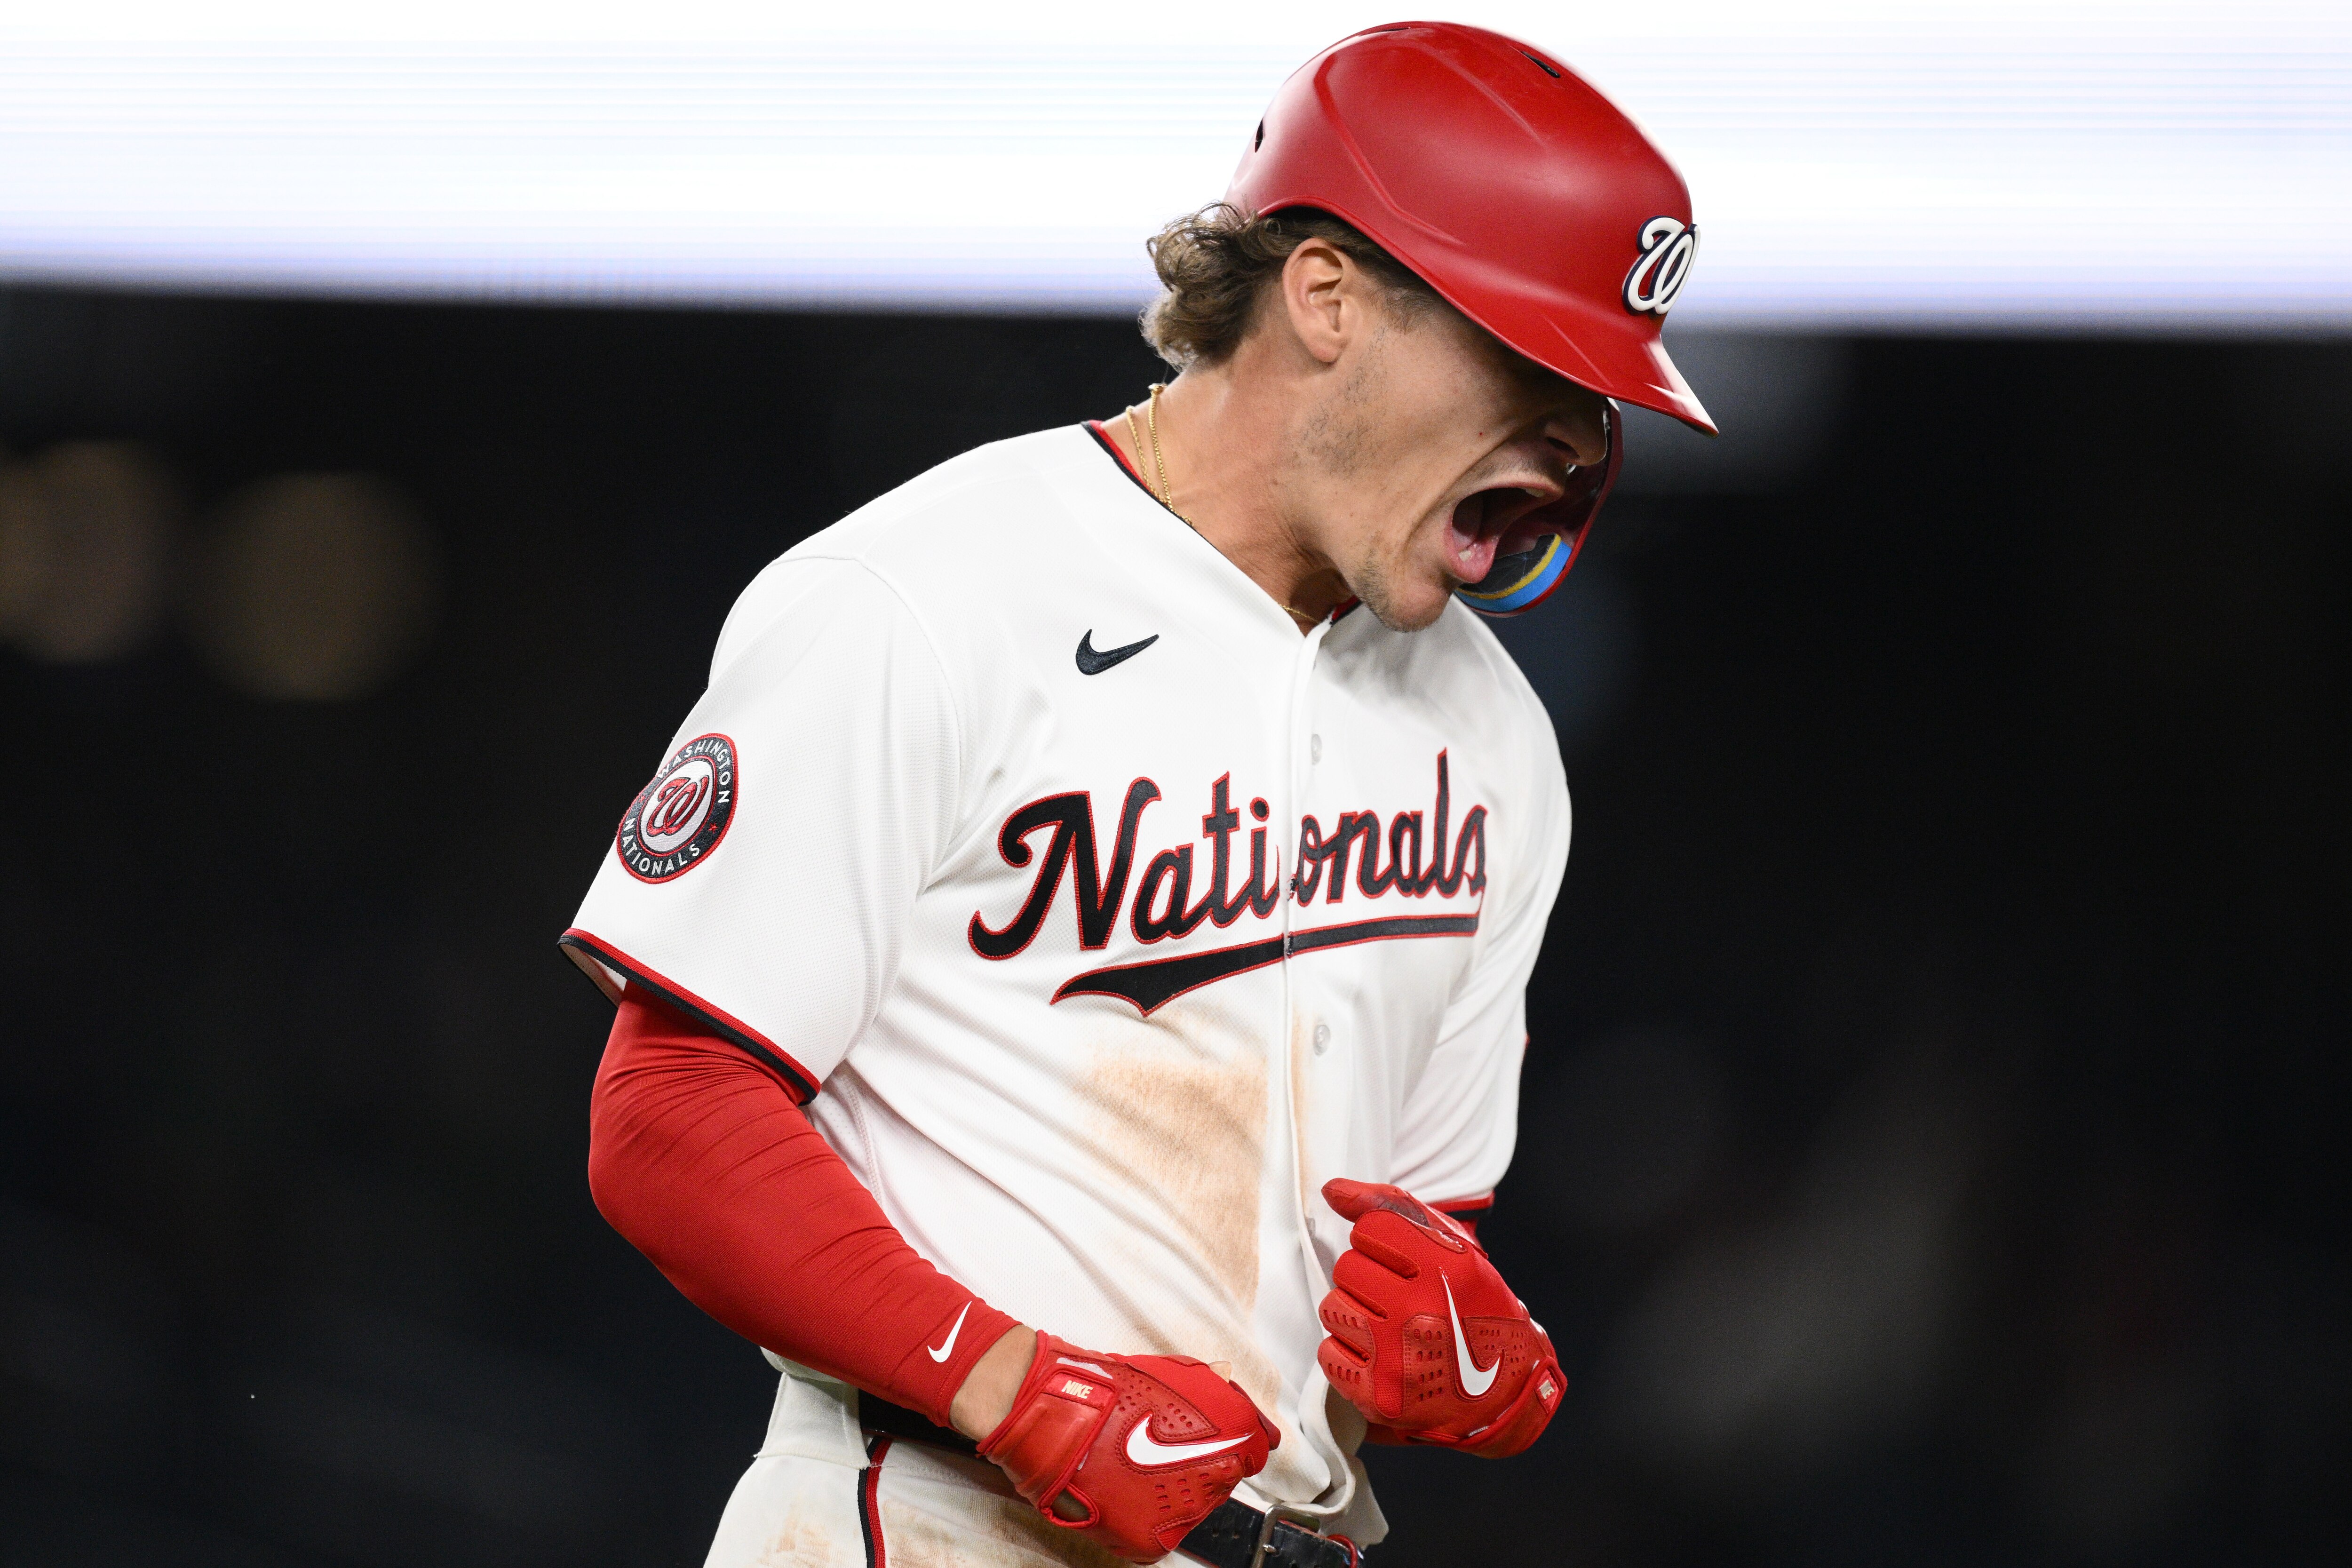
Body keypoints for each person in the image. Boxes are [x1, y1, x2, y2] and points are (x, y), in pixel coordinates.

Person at [560, 21, 1713, 1567]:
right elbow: (670, 1113)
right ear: (1329, 296)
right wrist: (1009, 1383)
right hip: (941, 1513)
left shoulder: (1493, 730)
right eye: (1535, 361)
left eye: (1600, 395)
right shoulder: (926, 593)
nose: (1580, 437)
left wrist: (1465, 1331)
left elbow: (1415, 1215)